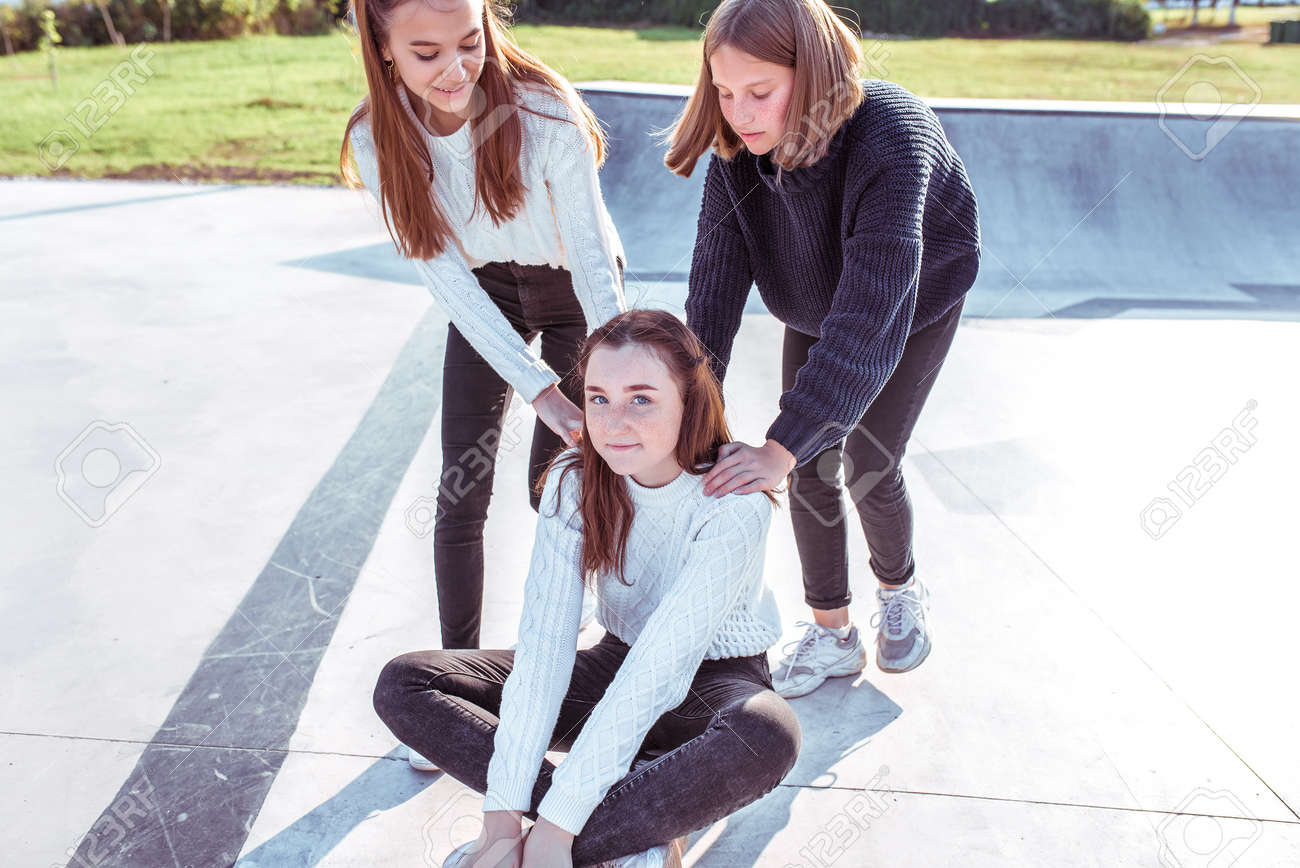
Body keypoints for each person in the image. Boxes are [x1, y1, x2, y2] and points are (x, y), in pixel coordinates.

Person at [373, 309, 802, 868]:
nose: (613, 421)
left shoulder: (733, 501)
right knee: (407, 683)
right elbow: (545, 649)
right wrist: (500, 821)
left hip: (713, 683)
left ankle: (573, 842)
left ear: (689, 402)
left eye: (641, 399)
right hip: (616, 662)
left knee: (767, 735)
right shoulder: (573, 479)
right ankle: (625, 827)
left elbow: (661, 667)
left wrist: (557, 829)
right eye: (599, 398)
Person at [662, 0, 982, 697]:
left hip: (909, 303)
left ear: (809, 75)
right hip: (813, 299)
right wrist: (685, 417)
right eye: (724, 92)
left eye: (760, 91)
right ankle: (833, 635)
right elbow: (712, 294)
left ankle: (899, 589)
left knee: (867, 458)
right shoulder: (737, 155)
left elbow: (869, 316)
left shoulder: (892, 135)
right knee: (809, 461)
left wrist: (776, 449)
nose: (739, 113)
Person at [341, 0, 627, 763]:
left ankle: (585, 642)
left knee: (558, 484)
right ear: (383, 46)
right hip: (484, 289)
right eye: (426, 53)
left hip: (572, 286)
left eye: (470, 44)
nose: (455, 70)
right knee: (459, 491)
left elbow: (594, 265)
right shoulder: (377, 138)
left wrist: (612, 380)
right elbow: (447, 280)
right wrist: (537, 387)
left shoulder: (544, 114)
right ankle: (452, 683)